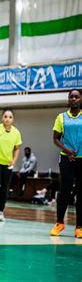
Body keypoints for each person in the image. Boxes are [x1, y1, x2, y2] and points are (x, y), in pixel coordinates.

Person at [49, 89, 82, 238]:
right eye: (71, 97)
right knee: (65, 191)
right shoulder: (61, 117)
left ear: (81, 99)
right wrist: (67, 151)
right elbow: (55, 138)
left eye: (77, 96)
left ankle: (79, 227)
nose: (74, 99)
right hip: (66, 159)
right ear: (68, 99)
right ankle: (59, 223)